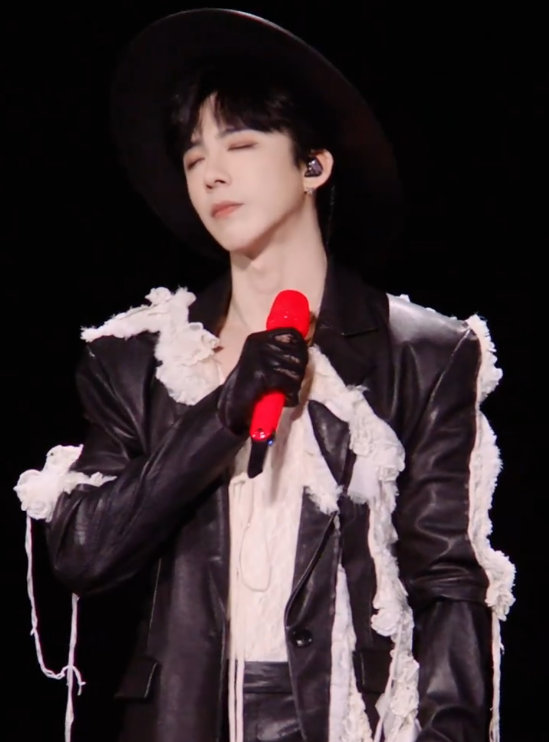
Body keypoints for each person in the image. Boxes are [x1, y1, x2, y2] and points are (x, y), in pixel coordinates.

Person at [15, 8, 515, 742]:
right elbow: (84, 552)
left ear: (313, 166)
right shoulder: (141, 357)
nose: (211, 172)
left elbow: (446, 579)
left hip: (349, 713)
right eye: (193, 158)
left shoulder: (422, 353)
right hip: (184, 715)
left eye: (241, 145)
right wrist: (221, 414)